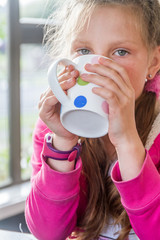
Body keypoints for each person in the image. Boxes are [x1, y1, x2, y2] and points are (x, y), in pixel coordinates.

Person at [25, 0, 160, 239]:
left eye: (120, 52)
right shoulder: (53, 127)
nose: (98, 67)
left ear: (153, 62)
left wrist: (128, 141)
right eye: (84, 52)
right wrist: (62, 143)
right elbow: (48, 232)